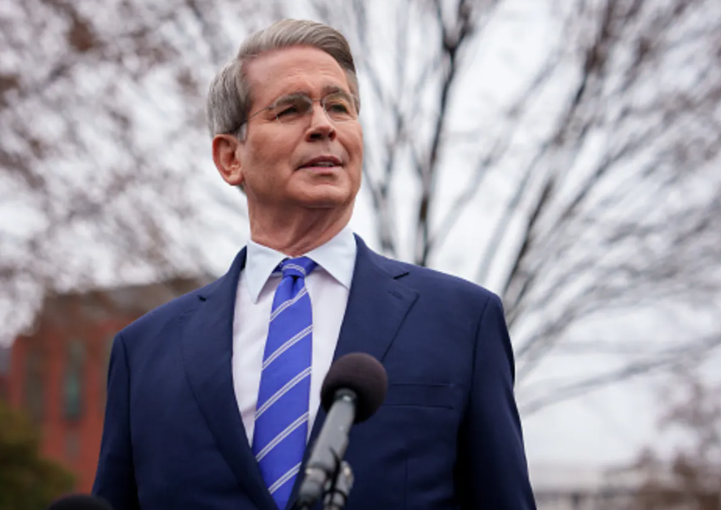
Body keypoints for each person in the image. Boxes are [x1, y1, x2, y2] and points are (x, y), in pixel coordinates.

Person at [93, 18, 536, 510]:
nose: (324, 125)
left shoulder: (463, 322)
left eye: (339, 106)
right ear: (230, 158)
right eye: (291, 109)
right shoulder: (144, 351)